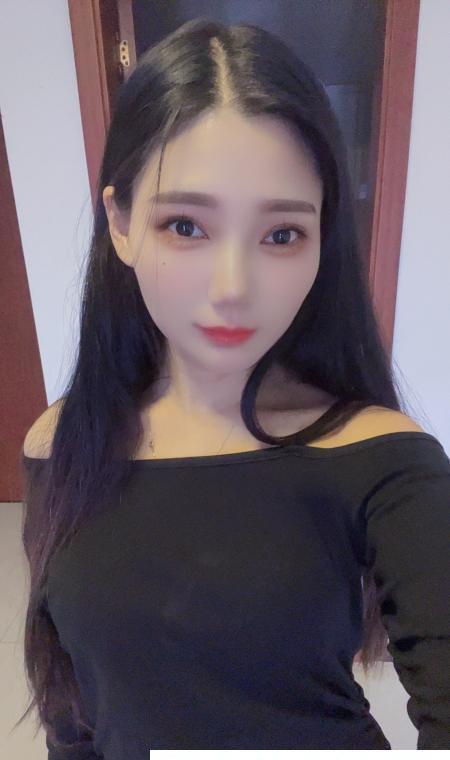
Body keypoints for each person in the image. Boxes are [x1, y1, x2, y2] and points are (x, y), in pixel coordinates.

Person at [16, 18, 450, 757]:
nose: (233, 288)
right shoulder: (65, 442)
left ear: (322, 239)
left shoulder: (385, 462)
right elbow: (76, 705)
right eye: (186, 226)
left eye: (282, 234)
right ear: (120, 222)